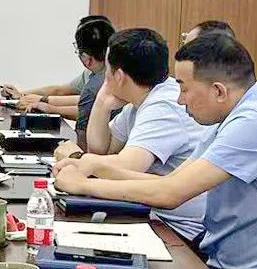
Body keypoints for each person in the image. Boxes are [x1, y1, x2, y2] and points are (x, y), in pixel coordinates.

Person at [54, 33, 257, 269]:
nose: (180, 99)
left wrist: (83, 184)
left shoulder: (256, 120)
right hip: (225, 261)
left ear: (218, 91)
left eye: (184, 89)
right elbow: (172, 180)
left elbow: (170, 193)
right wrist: (95, 166)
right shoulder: (232, 115)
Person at [57, 29, 206, 243]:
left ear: (118, 76)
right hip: (152, 213)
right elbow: (101, 151)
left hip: (179, 231)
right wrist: (102, 103)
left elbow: (127, 167)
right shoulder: (143, 100)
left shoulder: (163, 106)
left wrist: (78, 160)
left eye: (107, 70)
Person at [2, 15, 112, 103]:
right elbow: (60, 90)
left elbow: (85, 108)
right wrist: (21, 94)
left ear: (88, 59)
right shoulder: (90, 73)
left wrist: (43, 102)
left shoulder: (112, 77)